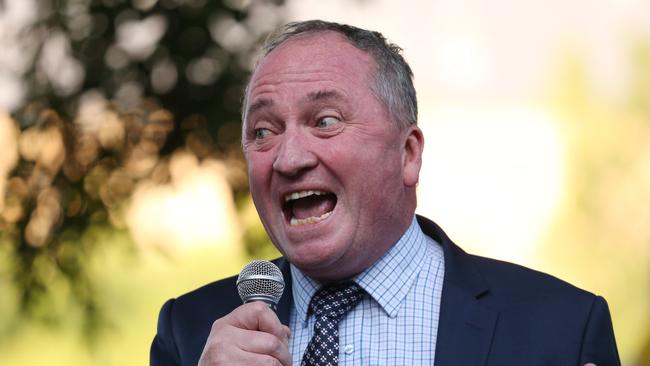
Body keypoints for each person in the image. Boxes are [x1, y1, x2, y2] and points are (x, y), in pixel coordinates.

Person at [150, 20, 620, 366]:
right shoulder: (190, 332)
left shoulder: (561, 330)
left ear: (408, 154)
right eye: (263, 131)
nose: (289, 158)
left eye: (325, 122)